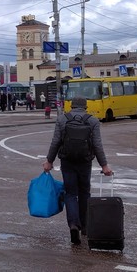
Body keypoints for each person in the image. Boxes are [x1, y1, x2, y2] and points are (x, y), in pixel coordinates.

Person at [43, 97, 113, 245]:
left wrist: (49, 161)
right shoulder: (92, 121)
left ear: (72, 106)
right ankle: (85, 227)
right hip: (85, 162)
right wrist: (104, 165)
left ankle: (73, 225)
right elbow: (97, 145)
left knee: (70, 194)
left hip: (67, 161)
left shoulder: (62, 119)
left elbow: (55, 142)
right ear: (85, 107)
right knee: (84, 193)